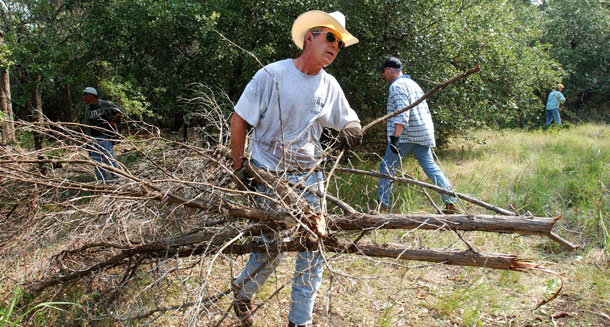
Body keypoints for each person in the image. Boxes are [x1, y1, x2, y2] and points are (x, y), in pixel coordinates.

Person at [229, 10, 363, 327]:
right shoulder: (272, 75)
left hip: (309, 176)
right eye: (330, 37)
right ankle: (242, 290)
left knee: (313, 245)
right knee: (270, 248)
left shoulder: (329, 85)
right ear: (309, 37)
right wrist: (240, 167)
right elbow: (239, 120)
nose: (334, 46)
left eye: (339, 44)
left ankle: (299, 320)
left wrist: (353, 130)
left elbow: (350, 119)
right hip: (268, 174)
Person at [375, 57, 458, 214]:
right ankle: (450, 202)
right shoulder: (413, 84)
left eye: (384, 71)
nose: (383, 75)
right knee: (430, 167)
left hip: (406, 135)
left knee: (386, 168)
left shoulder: (397, 86)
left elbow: (402, 113)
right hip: (422, 133)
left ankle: (382, 207)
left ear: (391, 70)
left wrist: (395, 139)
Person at [82, 87, 122, 183]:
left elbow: (119, 111)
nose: (84, 99)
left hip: (105, 136)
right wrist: (86, 138)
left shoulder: (105, 104)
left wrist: (113, 121)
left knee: (108, 158)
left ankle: (117, 178)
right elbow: (86, 125)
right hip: (92, 138)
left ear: (91, 96)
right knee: (96, 162)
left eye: (85, 97)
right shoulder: (88, 110)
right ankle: (102, 182)